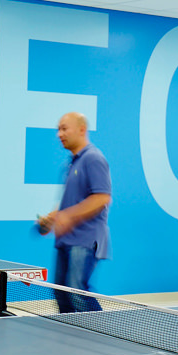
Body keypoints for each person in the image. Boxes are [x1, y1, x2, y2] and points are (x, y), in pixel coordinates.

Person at [37, 112, 111, 313]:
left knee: (76, 291)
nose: (59, 134)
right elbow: (70, 202)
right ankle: (68, 340)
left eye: (64, 128)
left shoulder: (93, 158)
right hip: (65, 241)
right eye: (58, 129)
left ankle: (101, 336)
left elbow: (102, 198)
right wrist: (52, 219)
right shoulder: (70, 164)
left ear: (81, 129)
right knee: (61, 293)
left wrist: (68, 216)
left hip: (85, 240)